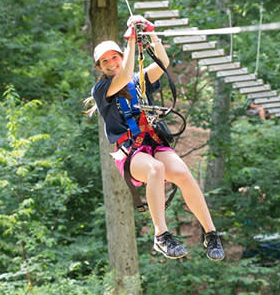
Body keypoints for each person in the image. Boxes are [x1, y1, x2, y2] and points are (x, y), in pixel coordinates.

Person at [90, 15, 225, 261]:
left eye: (114, 57)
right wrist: (131, 43)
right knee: (155, 170)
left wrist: (151, 34)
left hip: (153, 141)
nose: (111, 63)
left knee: (183, 173)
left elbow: (162, 61)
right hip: (130, 152)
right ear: (100, 67)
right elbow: (123, 75)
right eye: (105, 61)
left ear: (120, 57)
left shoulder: (137, 80)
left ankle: (211, 233)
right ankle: (161, 235)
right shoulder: (101, 90)